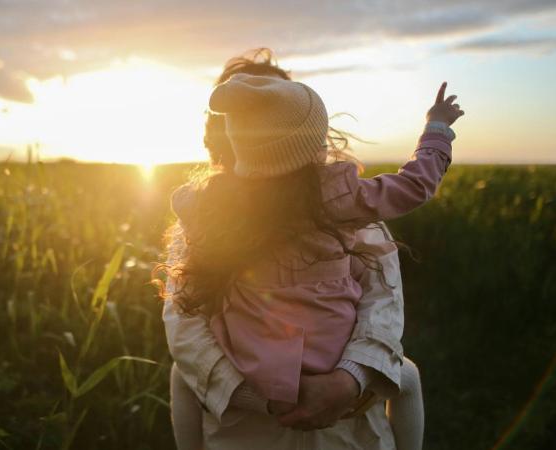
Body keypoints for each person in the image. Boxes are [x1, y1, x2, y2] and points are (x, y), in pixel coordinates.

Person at [159, 49, 462, 450]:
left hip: (342, 422)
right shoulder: (342, 202)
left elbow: (382, 305)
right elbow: (185, 323)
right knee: (407, 376)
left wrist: (347, 381)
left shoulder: (208, 209)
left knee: (181, 377)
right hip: (247, 427)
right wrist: (436, 131)